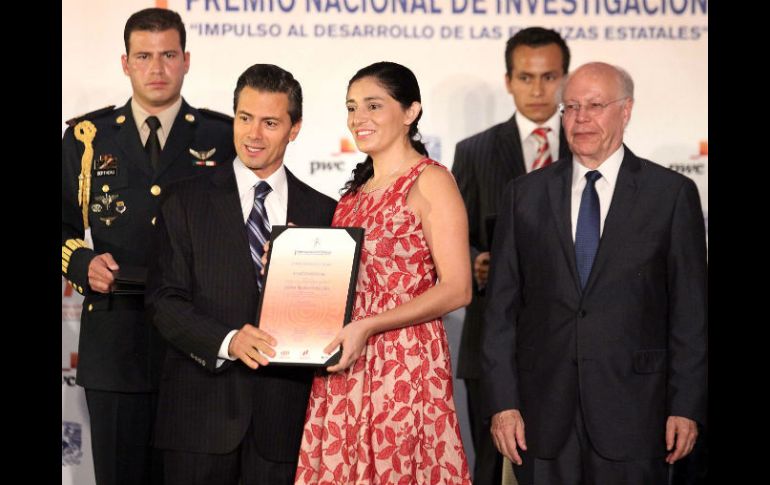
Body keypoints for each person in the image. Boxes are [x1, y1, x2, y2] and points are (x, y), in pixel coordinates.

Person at [481, 62, 707, 485]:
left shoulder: (671, 196)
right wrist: (503, 404)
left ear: (626, 111)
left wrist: (686, 405)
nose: (581, 118)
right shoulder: (523, 196)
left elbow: (691, 315)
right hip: (541, 419)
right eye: (571, 107)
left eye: (595, 105)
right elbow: (501, 312)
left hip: (638, 414)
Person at [60, 8, 235, 485]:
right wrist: (81, 263)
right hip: (116, 342)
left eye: (168, 55)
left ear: (186, 60)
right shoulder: (86, 137)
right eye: (144, 56)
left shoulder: (223, 135)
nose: (156, 68)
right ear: (125, 63)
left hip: (199, 344)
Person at [145, 63, 337, 485]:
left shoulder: (324, 212)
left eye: (270, 122)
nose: (253, 135)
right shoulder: (184, 200)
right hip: (198, 421)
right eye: (245, 118)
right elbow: (164, 300)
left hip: (285, 426)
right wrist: (229, 341)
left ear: (295, 128)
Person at [294, 61, 473, 484]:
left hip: (405, 364)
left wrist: (370, 325)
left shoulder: (430, 180)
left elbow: (458, 288)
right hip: (347, 361)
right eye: (352, 108)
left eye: (373, 106)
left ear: (411, 112)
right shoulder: (354, 193)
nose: (359, 119)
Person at [451, 26, 571, 485]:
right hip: (492, 338)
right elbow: (452, 238)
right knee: (488, 466)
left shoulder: (587, 146)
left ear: (564, 78)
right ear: (508, 81)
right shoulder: (475, 151)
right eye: (526, 77)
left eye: (548, 77)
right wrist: (476, 261)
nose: (537, 89)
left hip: (571, 342)